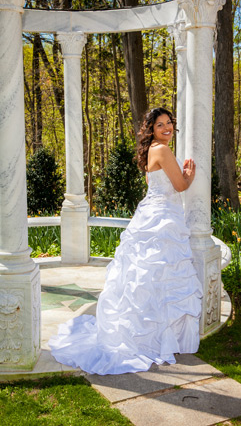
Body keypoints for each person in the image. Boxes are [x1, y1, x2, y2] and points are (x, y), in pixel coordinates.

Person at [49, 107, 203, 375]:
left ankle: (150, 334)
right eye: (160, 125)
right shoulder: (163, 151)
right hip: (162, 218)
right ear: (151, 129)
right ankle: (156, 336)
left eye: (169, 123)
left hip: (153, 214)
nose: (167, 128)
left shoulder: (152, 150)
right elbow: (179, 186)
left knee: (147, 277)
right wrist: (190, 174)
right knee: (159, 275)